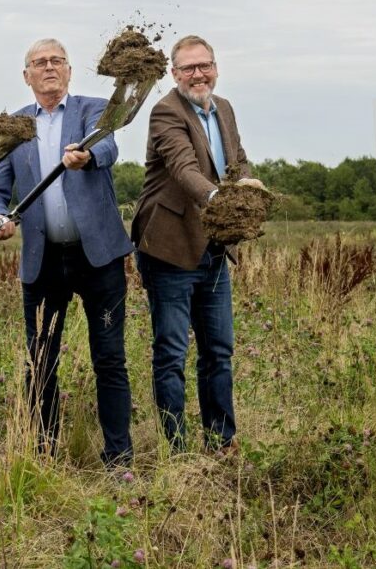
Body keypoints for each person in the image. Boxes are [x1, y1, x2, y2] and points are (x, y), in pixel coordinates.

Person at [0, 39, 134, 466]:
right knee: (41, 360)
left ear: (69, 70)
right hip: (44, 261)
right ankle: (43, 454)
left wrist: (86, 156)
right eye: (39, 63)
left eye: (56, 61)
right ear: (26, 75)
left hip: (98, 258)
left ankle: (119, 458)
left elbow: (107, 146)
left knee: (110, 358)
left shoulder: (92, 109)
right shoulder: (13, 127)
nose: (49, 67)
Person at [130, 34, 264, 453]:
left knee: (218, 351)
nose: (198, 74)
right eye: (188, 68)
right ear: (174, 74)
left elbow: (235, 160)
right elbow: (185, 169)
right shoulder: (165, 112)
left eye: (204, 65)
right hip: (169, 248)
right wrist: (220, 200)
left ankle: (221, 442)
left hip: (213, 249)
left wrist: (245, 186)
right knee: (171, 353)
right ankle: (177, 448)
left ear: (216, 68)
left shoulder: (223, 109)